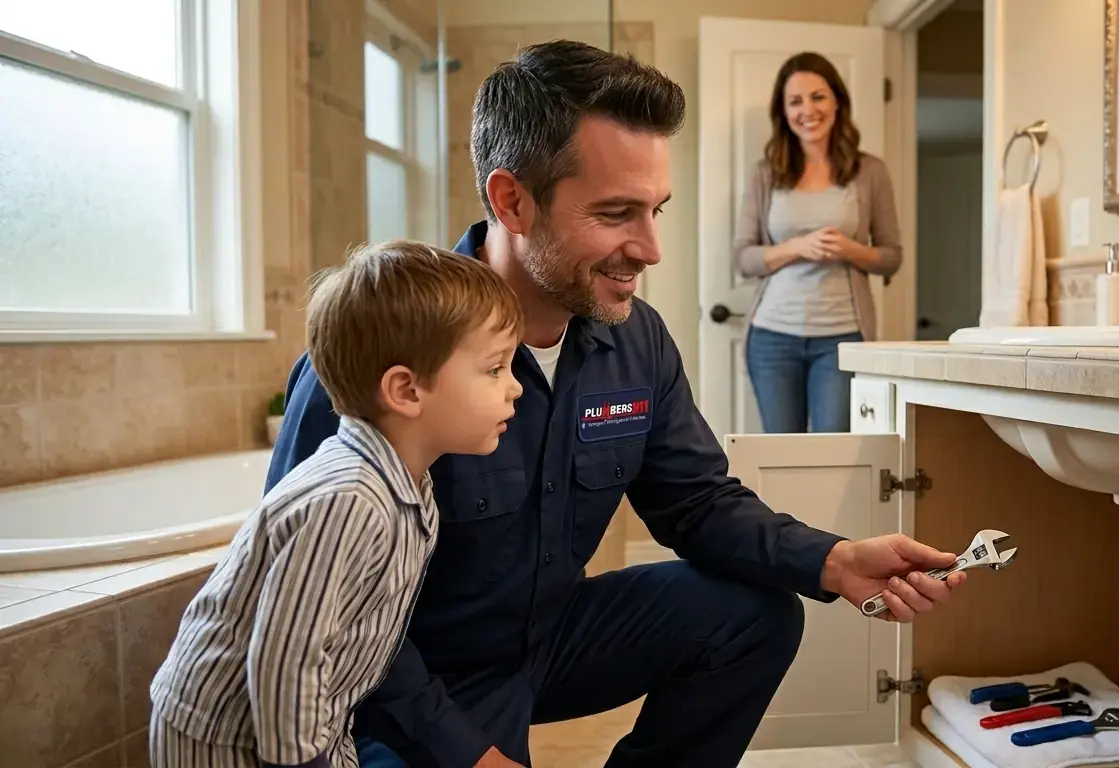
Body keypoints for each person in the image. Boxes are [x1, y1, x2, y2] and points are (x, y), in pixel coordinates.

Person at [268, 40, 964, 768]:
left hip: (548, 638)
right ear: (512, 201)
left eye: (656, 210)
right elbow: (318, 612)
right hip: (407, 682)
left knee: (754, 614)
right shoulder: (381, 353)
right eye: (616, 213)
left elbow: (696, 502)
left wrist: (833, 560)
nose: (651, 248)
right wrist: (467, 752)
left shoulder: (635, 340)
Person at [147, 241, 524, 768]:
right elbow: (286, 660)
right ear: (406, 391)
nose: (515, 388)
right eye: (495, 369)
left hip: (305, 722)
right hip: (226, 737)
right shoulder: (349, 501)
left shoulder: (409, 487)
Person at [733, 52, 902, 434]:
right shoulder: (765, 173)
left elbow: (892, 257)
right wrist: (797, 246)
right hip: (771, 338)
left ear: (837, 101)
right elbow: (743, 258)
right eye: (795, 101)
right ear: (783, 112)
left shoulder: (870, 171)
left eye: (818, 97)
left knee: (833, 453)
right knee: (782, 455)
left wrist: (847, 248)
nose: (807, 110)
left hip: (842, 339)